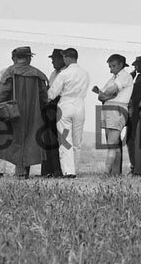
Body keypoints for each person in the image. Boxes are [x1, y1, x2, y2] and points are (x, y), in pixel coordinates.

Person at [0, 46, 49, 178]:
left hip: (13, 112)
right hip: (33, 113)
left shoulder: (9, 72)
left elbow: (1, 94)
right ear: (29, 58)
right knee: (29, 140)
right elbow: (44, 97)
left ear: (14, 58)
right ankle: (23, 172)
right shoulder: (38, 74)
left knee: (12, 141)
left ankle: (6, 171)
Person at [47, 46, 90, 179]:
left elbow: (52, 94)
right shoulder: (84, 73)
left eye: (64, 57)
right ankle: (75, 169)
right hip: (80, 106)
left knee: (65, 140)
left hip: (65, 106)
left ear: (67, 57)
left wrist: (46, 97)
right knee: (77, 141)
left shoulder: (63, 74)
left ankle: (68, 171)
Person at [93, 53, 133, 175]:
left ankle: (107, 171)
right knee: (113, 143)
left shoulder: (125, 76)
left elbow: (110, 90)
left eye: (113, 66)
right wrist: (107, 94)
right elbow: (101, 95)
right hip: (109, 109)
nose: (111, 70)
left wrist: (106, 94)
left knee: (112, 143)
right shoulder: (113, 78)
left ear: (121, 64)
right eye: (110, 67)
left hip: (117, 109)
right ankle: (115, 172)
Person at [40, 48, 66, 178]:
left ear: (62, 59)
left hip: (58, 106)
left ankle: (57, 170)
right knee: (48, 139)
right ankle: (48, 170)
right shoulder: (53, 74)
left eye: (54, 59)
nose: (53, 62)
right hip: (50, 107)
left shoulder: (65, 73)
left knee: (57, 140)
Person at [125, 55, 141, 175]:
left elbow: (133, 90)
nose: (135, 67)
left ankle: (136, 166)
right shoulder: (139, 77)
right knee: (131, 139)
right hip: (134, 111)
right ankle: (135, 165)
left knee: (133, 139)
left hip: (136, 112)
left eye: (137, 65)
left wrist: (129, 78)